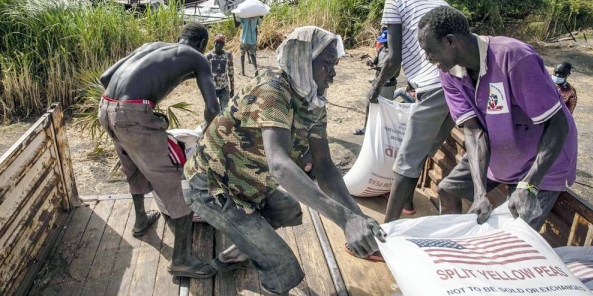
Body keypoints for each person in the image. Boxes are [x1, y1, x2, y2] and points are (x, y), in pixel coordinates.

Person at [183, 26, 386, 295]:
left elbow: (324, 166)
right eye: (327, 64)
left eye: (334, 65)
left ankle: (241, 250)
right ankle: (259, 254)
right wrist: (345, 221)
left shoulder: (312, 101)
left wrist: (356, 216)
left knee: (289, 210)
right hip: (212, 186)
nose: (334, 74)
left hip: (248, 185)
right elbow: (279, 165)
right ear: (303, 60)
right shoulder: (273, 89)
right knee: (283, 269)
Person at [417, 6, 578, 230]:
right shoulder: (448, 71)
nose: (428, 58)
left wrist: (529, 186)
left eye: (430, 50)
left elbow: (558, 124)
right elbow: (474, 131)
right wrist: (479, 193)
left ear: (451, 41)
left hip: (542, 158)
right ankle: (452, 248)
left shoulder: (514, 57)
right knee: (447, 189)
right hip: (501, 150)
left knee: (515, 228)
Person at [98, 22, 220, 278]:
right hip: (132, 116)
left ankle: (141, 221)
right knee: (175, 180)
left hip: (106, 108)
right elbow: (212, 107)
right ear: (202, 45)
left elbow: (105, 78)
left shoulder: (150, 46)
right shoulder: (198, 58)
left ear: (178, 38)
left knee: (133, 166)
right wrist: (210, 131)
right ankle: (181, 260)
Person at [365, 0, 455, 224]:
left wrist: (375, 88)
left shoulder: (395, 0)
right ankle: (407, 203)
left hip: (435, 84)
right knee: (421, 149)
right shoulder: (439, 1)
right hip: (459, 85)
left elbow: (394, 58)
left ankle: (387, 232)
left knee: (406, 158)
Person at [353, 29, 399, 135]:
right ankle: (366, 127)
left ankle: (383, 132)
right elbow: (376, 61)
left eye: (386, 41)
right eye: (383, 41)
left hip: (388, 85)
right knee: (369, 103)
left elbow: (395, 73)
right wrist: (371, 63)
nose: (384, 43)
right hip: (376, 81)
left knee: (384, 108)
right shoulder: (381, 49)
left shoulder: (395, 54)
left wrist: (379, 69)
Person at [205, 34, 235, 111]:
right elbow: (205, 75)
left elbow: (231, 72)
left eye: (221, 43)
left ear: (224, 45)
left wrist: (232, 88)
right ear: (214, 42)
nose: (218, 45)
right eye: (217, 42)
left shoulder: (228, 55)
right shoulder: (208, 56)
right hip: (212, 89)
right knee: (212, 111)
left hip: (224, 88)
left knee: (225, 111)